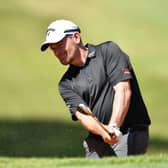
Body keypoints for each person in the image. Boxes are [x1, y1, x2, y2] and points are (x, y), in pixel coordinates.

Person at [40, 19, 151, 159]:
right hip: (98, 139)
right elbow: (84, 116)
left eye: (60, 45)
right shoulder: (66, 83)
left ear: (76, 37)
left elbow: (123, 90)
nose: (57, 52)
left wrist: (114, 128)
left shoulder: (108, 51)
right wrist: (105, 133)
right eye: (53, 48)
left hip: (129, 132)